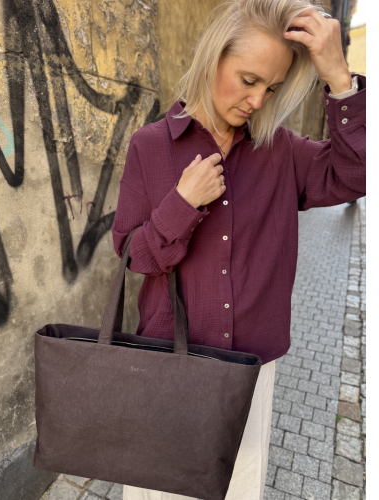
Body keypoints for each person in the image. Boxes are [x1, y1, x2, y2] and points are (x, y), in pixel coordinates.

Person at [111, 0, 366, 498]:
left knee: (236, 488)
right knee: (159, 488)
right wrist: (181, 205)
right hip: (167, 362)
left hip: (250, 368)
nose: (257, 100)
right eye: (248, 80)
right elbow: (132, 256)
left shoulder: (282, 152)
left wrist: (339, 79)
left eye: (271, 88)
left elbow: (356, 174)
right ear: (214, 57)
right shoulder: (150, 146)